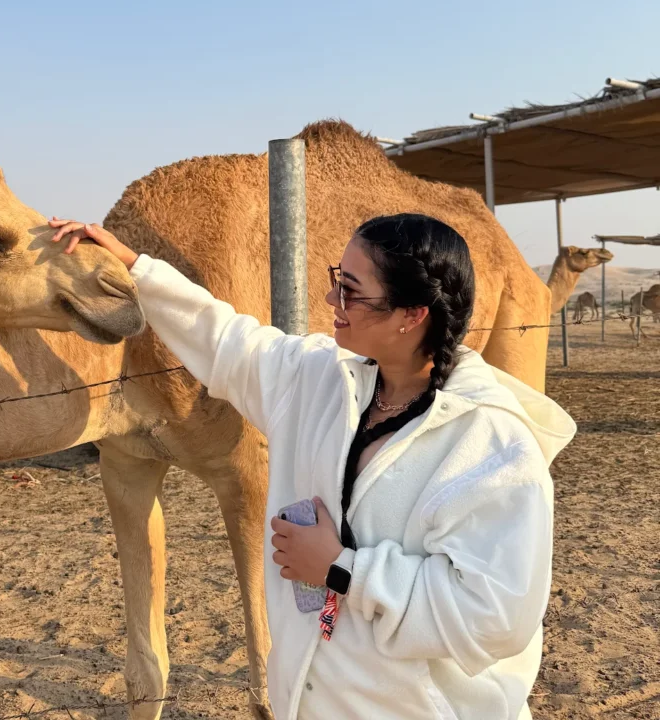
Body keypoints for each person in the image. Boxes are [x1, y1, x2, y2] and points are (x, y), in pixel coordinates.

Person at [50, 212, 575, 720]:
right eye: (335, 279)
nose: (331, 300)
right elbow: (229, 341)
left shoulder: (492, 446)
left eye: (351, 290)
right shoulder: (320, 379)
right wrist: (136, 269)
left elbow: (497, 617)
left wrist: (343, 569)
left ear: (412, 316)